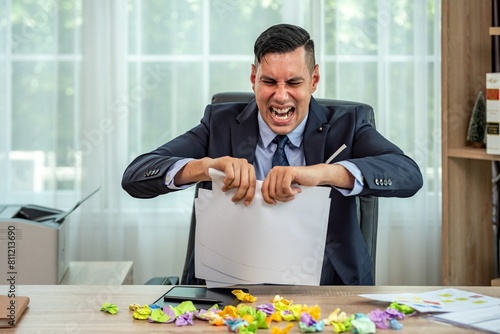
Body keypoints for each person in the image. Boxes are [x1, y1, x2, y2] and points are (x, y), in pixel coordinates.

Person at [122, 23, 423, 285]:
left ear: (314, 80)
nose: (281, 96)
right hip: (229, 290)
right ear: (253, 78)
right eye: (268, 82)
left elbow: (408, 173)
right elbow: (135, 175)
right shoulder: (219, 123)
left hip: (325, 289)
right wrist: (205, 167)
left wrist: (325, 173)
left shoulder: (348, 124)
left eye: (294, 82)